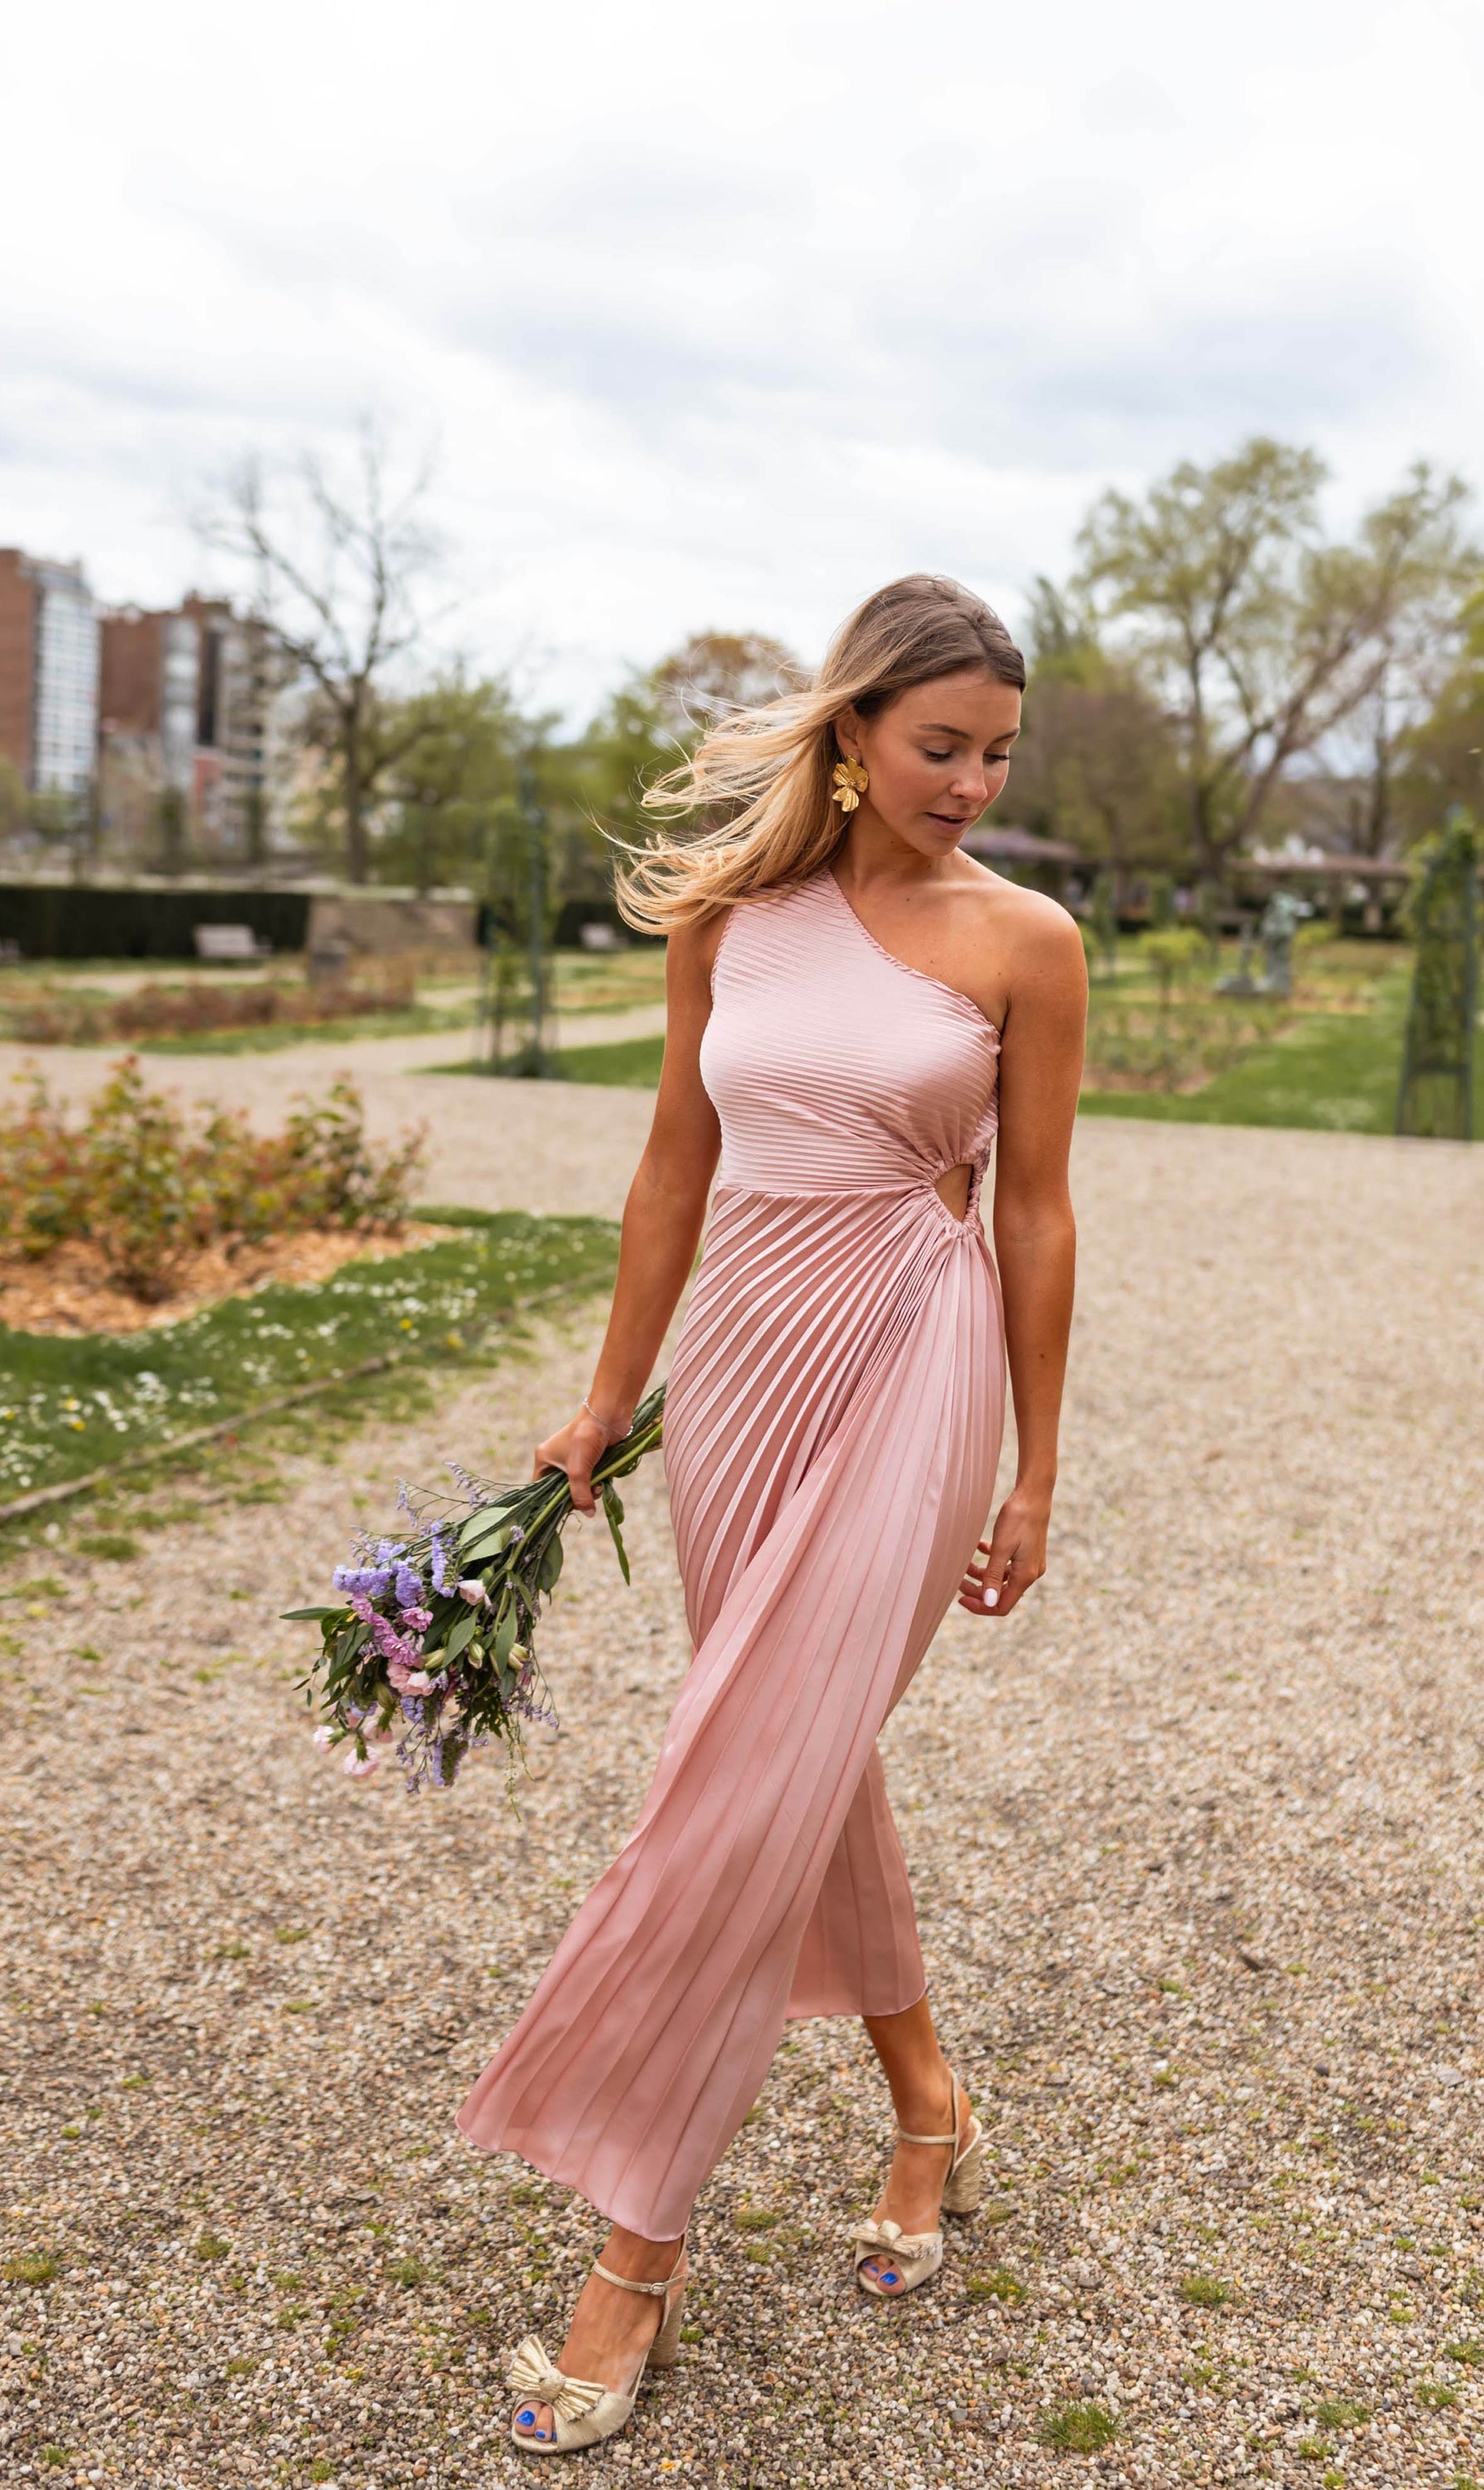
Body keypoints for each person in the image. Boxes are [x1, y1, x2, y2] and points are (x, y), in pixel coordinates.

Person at [458, 574, 1087, 2454]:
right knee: (790, 1757)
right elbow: (674, 1157)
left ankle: (633, 2248)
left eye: (996, 753)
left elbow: (1037, 1212)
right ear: (852, 727)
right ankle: (928, 2104)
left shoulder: (1025, 942)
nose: (970, 782)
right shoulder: (731, 921)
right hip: (740, 1366)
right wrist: (604, 1392)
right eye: (940, 745)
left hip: (913, 1351)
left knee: (739, 1781)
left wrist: (1036, 1468)